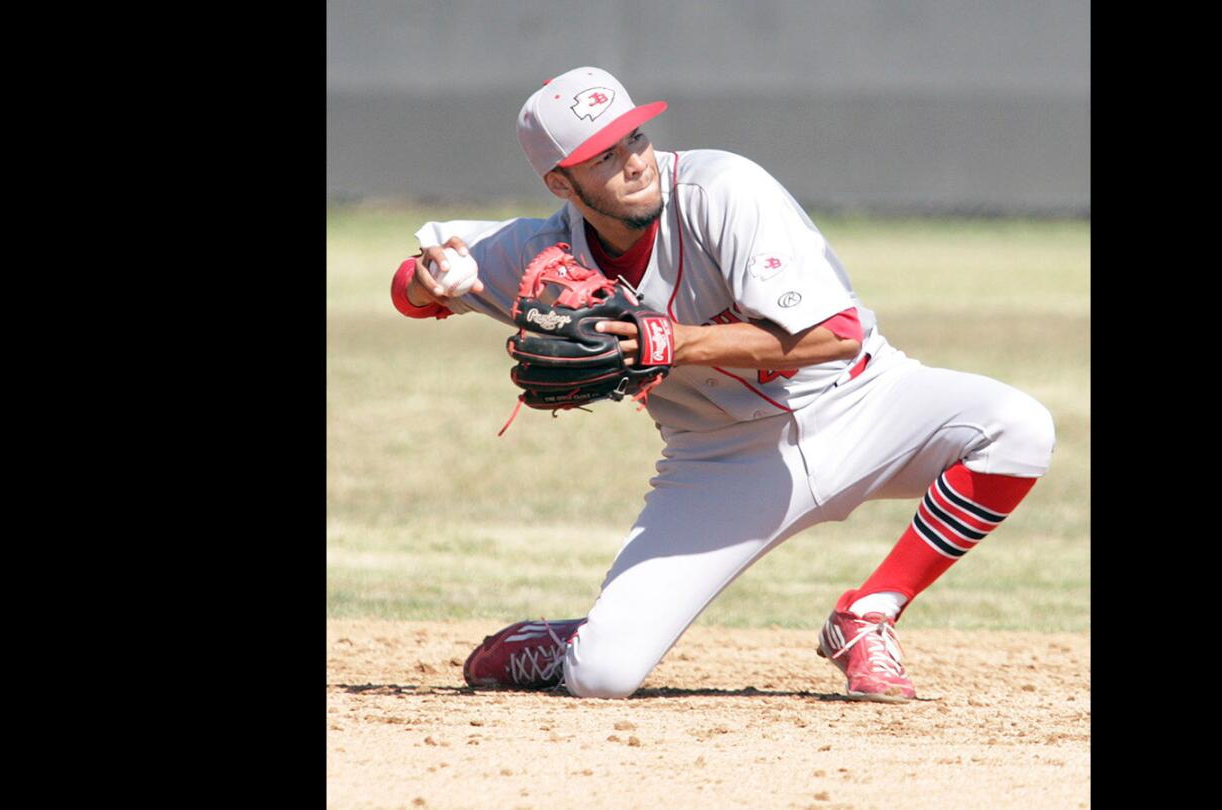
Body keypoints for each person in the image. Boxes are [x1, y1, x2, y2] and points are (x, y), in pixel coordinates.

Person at [390, 66, 1054, 702]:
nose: (634, 161)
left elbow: (840, 333)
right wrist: (430, 280)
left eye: (635, 138)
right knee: (603, 677)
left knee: (1018, 428)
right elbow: (413, 287)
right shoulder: (541, 255)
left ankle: (866, 613)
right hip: (721, 461)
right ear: (562, 184)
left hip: (863, 404)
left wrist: (672, 341)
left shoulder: (723, 189)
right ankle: (576, 641)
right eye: (604, 157)